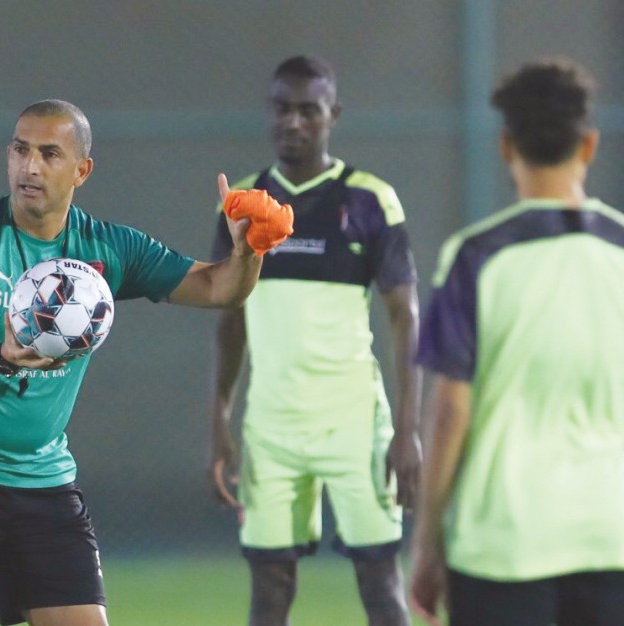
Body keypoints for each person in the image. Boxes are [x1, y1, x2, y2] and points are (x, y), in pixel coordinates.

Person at [0, 98, 274, 626]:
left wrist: (249, 250)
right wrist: (2, 357)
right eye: (21, 150)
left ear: (82, 170)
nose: (30, 166)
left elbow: (217, 288)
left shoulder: (106, 248)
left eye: (50, 153)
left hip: (40, 477)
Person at [410, 58, 624, 626]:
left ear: (507, 147)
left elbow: (451, 410)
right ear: (590, 146)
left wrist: (428, 545)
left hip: (501, 544)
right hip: (611, 538)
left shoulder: (476, 257)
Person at [208, 54, 420, 626]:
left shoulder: (370, 199)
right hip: (271, 427)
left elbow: (405, 317)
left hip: (354, 423)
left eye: (309, 109)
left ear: (333, 115)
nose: (294, 122)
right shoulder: (244, 205)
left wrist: (409, 430)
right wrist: (220, 417)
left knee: (381, 583)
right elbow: (227, 317)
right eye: (283, 108)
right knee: (269, 590)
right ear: (269, 112)